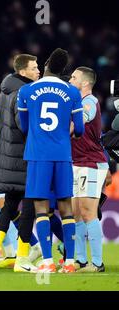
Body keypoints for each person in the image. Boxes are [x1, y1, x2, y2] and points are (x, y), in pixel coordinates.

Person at [17, 48, 84, 273]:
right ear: (64, 69)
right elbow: (81, 130)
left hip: (38, 155)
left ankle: (47, 261)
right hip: (63, 155)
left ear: (46, 64)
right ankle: (71, 262)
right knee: (66, 207)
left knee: (41, 208)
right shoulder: (73, 92)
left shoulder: (27, 91)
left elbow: (24, 127)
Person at [0, 54, 41, 273]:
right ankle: (23, 259)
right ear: (23, 72)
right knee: (30, 208)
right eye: (34, 68)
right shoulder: (23, 94)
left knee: (9, 207)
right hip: (23, 160)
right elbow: (23, 126)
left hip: (5, 162)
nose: (38, 71)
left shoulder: (4, 94)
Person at [69, 66, 108, 272]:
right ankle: (81, 260)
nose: (70, 79)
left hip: (90, 163)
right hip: (77, 163)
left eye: (74, 77)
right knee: (75, 212)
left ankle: (97, 263)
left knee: (87, 212)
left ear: (85, 83)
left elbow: (76, 125)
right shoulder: (77, 103)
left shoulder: (89, 103)